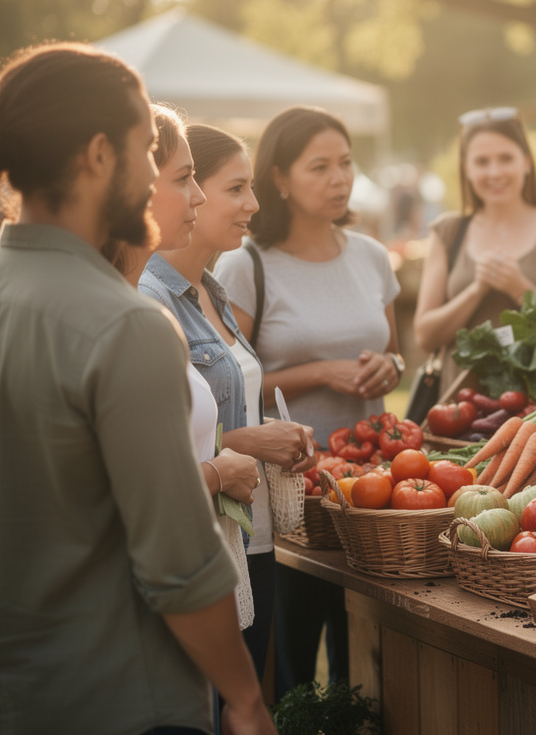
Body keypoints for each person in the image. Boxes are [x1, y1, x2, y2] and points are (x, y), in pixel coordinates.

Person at [0, 43, 274, 734]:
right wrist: (246, 696)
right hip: (120, 696)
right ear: (97, 156)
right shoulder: (127, 326)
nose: (157, 177)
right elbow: (177, 561)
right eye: (149, 150)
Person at [213, 105, 400, 697]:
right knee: (292, 656)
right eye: (319, 166)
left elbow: (393, 352)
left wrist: (386, 368)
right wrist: (319, 373)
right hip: (290, 491)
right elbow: (229, 379)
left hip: (375, 486)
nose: (339, 177)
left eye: (345, 162)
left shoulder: (371, 255)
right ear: (280, 180)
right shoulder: (246, 265)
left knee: (371, 655)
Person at [142, 121, 320, 683]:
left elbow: (212, 410)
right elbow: (155, 448)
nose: (254, 203)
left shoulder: (212, 290)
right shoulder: (149, 300)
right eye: (235, 188)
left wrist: (269, 433)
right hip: (206, 545)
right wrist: (247, 443)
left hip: (250, 537)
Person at [412, 106, 536, 399]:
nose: (494, 172)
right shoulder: (447, 232)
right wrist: (476, 290)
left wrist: (522, 290)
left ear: (527, 162)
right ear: (467, 168)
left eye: (505, 158)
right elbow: (425, 335)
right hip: (459, 412)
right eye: (482, 161)